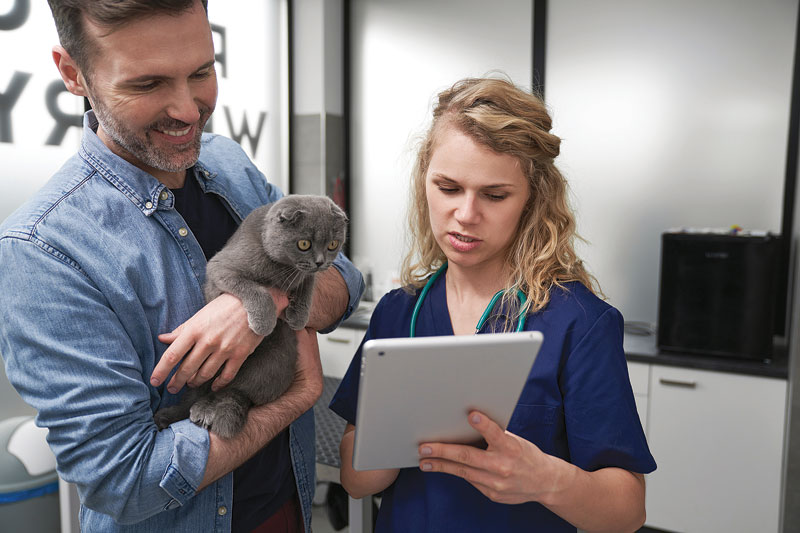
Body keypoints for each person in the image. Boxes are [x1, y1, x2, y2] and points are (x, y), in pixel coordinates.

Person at [0, 1, 363, 531]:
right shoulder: (42, 251)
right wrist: (296, 399)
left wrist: (260, 305)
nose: (189, 111)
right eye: (147, 85)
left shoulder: (227, 163)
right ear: (73, 74)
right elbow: (125, 482)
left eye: (201, 72)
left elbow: (345, 280)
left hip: (288, 505)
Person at [329, 77, 656, 532]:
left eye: (495, 195)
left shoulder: (577, 323)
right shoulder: (398, 312)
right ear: (424, 180)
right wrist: (391, 439)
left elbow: (626, 512)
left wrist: (546, 480)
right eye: (448, 188)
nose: (465, 214)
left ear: (532, 200)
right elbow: (356, 481)